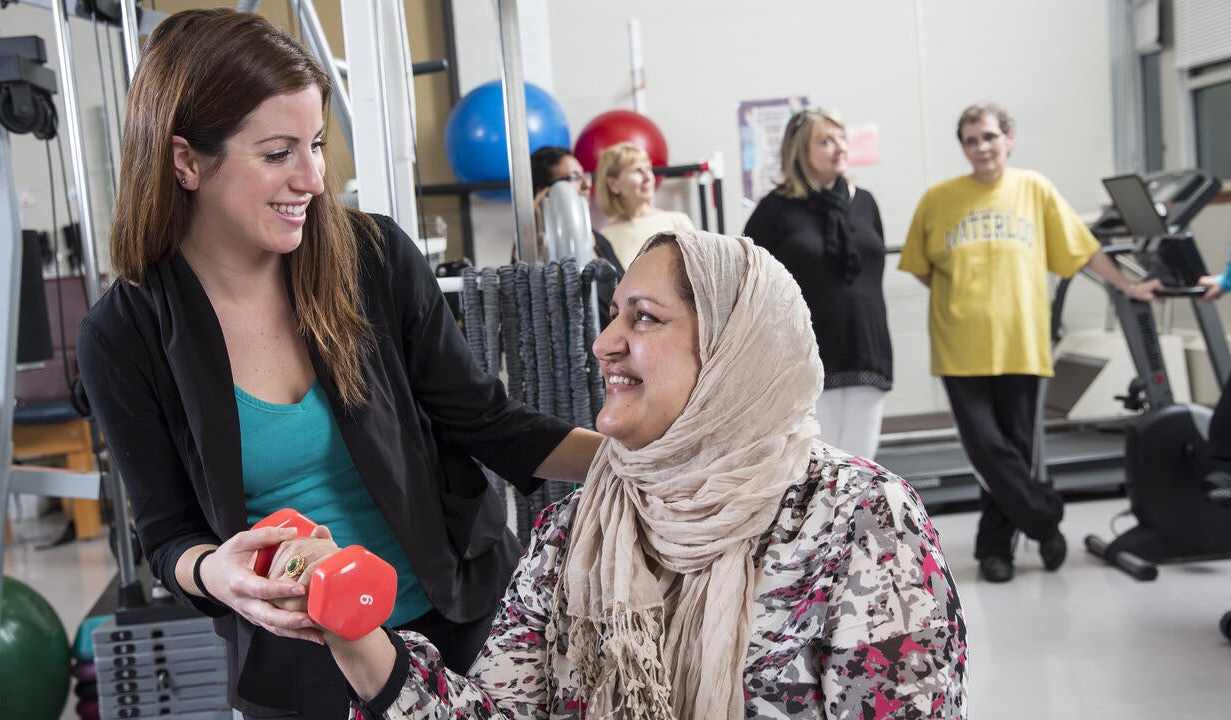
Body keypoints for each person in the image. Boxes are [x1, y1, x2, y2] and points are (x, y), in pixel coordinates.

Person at [75, 9, 600, 718]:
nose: (314, 179)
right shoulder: (125, 335)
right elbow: (168, 536)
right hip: (306, 668)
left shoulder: (371, 259)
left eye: (317, 145)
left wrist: (655, 461)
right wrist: (215, 572)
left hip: (465, 624)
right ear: (186, 160)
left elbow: (489, 421)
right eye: (278, 153)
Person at [276, 230, 968, 718]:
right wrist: (354, 633)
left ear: (732, 352)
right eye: (612, 316)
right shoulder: (573, 531)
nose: (606, 343)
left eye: (644, 318)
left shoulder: (858, 521)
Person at [899, 102, 1162, 584]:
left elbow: (1081, 249)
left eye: (990, 137)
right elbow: (920, 266)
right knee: (986, 449)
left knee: (1015, 452)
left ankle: (995, 552)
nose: (982, 147)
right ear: (963, 147)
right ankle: (1045, 518)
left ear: (1009, 138)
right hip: (959, 346)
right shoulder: (938, 199)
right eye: (972, 140)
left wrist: (1127, 286)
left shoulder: (1035, 189)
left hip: (1022, 342)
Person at [743, 106, 892, 459]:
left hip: (866, 350)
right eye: (826, 141)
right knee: (815, 471)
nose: (839, 147)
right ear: (800, 151)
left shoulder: (866, 202)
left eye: (842, 137)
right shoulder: (775, 209)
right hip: (804, 358)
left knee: (862, 469)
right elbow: (749, 280)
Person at [531, 145, 623, 328]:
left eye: (584, 175)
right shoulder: (528, 247)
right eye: (574, 177)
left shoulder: (599, 240)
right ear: (546, 192)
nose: (587, 184)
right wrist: (541, 224)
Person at [593, 141, 697, 264]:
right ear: (613, 184)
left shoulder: (677, 221)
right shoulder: (604, 238)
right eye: (637, 170)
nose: (648, 177)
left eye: (648, 168)